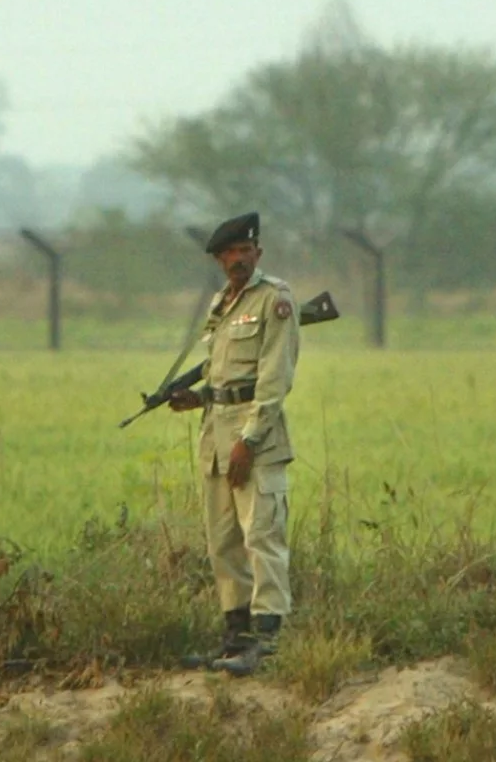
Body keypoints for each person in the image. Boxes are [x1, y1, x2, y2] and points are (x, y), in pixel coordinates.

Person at [168, 211, 299, 676]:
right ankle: (234, 638)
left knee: (262, 537)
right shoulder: (222, 304)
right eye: (229, 253)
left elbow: (273, 377)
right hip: (216, 436)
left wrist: (249, 439)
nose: (237, 259)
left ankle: (266, 643)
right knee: (223, 542)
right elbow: (221, 372)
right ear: (220, 260)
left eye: (245, 251)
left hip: (254, 438)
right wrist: (195, 397)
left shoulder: (274, 300)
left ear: (257, 253)